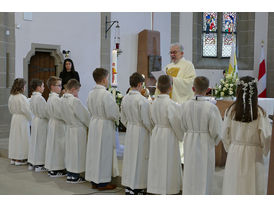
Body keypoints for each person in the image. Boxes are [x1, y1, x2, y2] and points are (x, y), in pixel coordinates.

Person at [222, 76, 272, 195]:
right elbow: (266, 136)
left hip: (235, 152)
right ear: (255, 93)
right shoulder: (259, 112)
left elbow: (224, 134)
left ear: (238, 90)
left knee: (235, 185)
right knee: (251, 186)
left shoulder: (231, 111)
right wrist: (264, 150)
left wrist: (230, 147)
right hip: (253, 154)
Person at [180, 76, 222, 195]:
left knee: (190, 172)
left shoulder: (185, 105)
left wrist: (190, 133)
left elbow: (182, 125)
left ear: (193, 88)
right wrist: (214, 141)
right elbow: (217, 131)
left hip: (190, 140)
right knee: (204, 173)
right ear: (208, 90)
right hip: (205, 142)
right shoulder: (211, 107)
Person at [156, 43, 196, 164]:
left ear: (182, 53)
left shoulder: (188, 65)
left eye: (175, 52)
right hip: (168, 102)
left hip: (181, 102)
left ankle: (181, 158)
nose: (172, 55)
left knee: (180, 129)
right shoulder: (168, 66)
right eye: (171, 52)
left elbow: (190, 82)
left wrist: (174, 81)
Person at [147, 75, 183, 195]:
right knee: (169, 162)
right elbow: (177, 123)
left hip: (157, 133)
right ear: (171, 88)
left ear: (157, 87)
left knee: (157, 161)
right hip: (169, 135)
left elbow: (151, 120)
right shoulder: (172, 105)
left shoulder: (153, 103)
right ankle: (169, 189)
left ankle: (156, 187)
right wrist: (180, 136)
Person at [85, 68, 119, 190]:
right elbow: (112, 112)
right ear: (104, 79)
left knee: (94, 152)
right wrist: (117, 115)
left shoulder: (90, 93)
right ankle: (103, 182)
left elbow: (88, 107)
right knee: (103, 153)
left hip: (94, 122)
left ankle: (94, 180)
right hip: (104, 125)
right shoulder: (105, 94)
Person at [120, 72, 153, 195]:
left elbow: (122, 118)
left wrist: (130, 125)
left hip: (131, 130)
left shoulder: (125, 98)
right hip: (141, 131)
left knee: (130, 158)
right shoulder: (142, 100)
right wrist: (152, 130)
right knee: (139, 159)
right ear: (140, 84)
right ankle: (137, 187)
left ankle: (129, 186)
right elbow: (146, 120)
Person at [61, 79, 90, 183]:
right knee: (77, 153)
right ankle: (75, 176)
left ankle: (70, 175)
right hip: (77, 130)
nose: (78, 93)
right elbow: (84, 116)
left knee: (70, 153)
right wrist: (90, 125)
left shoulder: (62, 99)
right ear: (73, 89)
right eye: (77, 91)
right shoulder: (74, 101)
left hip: (69, 128)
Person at [44, 76, 66, 177]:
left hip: (53, 123)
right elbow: (61, 113)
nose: (61, 87)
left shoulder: (51, 97)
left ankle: (52, 168)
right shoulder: (56, 99)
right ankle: (56, 169)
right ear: (52, 87)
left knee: (53, 146)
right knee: (58, 147)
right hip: (58, 124)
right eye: (59, 85)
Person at [8, 78, 32, 166]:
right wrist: (31, 120)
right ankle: (20, 159)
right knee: (22, 138)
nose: (25, 87)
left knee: (15, 138)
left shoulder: (11, 96)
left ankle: (13, 158)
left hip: (14, 118)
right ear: (22, 87)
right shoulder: (22, 97)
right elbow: (27, 110)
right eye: (24, 86)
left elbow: (10, 109)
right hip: (22, 119)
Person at [28, 79, 49, 172]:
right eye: (43, 86)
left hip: (35, 120)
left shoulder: (32, 97)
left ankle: (33, 162)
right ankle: (39, 164)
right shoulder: (40, 98)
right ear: (38, 87)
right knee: (40, 143)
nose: (44, 88)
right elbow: (45, 112)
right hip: (41, 121)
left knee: (34, 142)